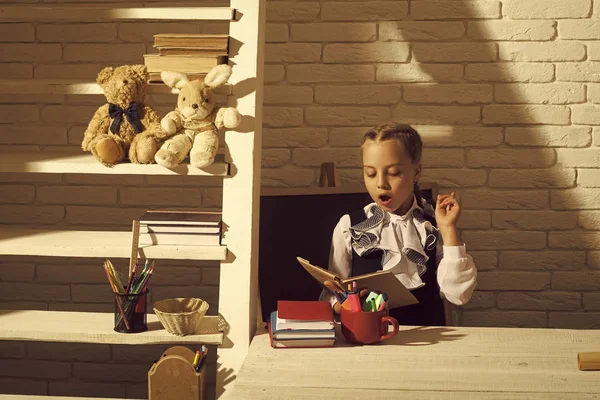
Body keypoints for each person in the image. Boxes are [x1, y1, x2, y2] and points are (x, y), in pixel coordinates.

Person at [319, 123, 477, 326]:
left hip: (428, 344)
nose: (381, 184)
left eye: (393, 173)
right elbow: (330, 295)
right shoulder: (349, 226)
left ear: (416, 172)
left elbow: (459, 295)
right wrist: (341, 306)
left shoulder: (431, 226)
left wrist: (448, 229)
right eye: (370, 173)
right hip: (365, 343)